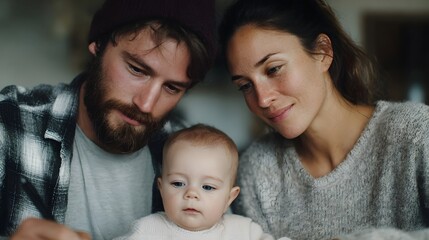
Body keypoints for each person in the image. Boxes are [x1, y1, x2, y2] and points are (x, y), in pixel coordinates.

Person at [0, 0, 216, 239]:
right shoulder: (9, 122)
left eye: (172, 88)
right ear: (97, 45)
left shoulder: (200, 155)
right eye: (137, 70)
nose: (146, 104)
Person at [218, 0, 429, 239]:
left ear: (322, 52)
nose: (263, 99)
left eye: (273, 69)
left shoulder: (416, 132)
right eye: (245, 86)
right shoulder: (256, 169)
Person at [114, 124, 290, 240]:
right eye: (178, 183)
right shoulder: (147, 230)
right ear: (161, 188)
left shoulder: (243, 231)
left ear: (229, 198)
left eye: (207, 187)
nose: (191, 194)